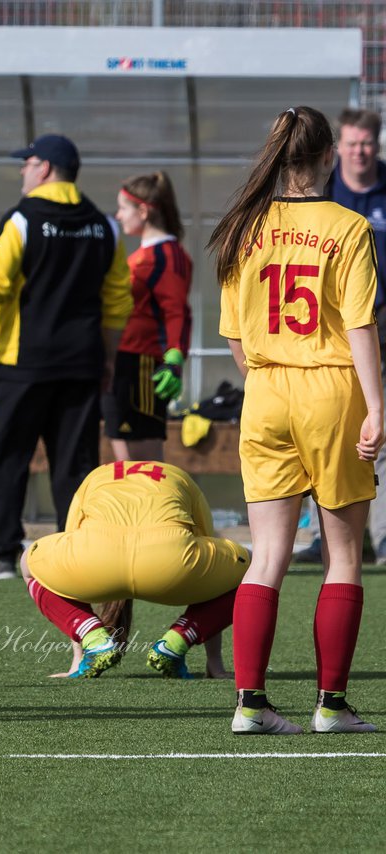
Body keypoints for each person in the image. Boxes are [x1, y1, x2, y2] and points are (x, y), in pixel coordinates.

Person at [210, 105, 382, 735]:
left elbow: (233, 334)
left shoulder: (240, 228)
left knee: (267, 555)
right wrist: (378, 406)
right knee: (342, 556)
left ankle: (250, 704)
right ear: (329, 156)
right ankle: (331, 706)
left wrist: (265, 383)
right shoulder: (349, 226)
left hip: (266, 391)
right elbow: (361, 325)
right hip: (332, 391)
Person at [0, 133, 131, 580]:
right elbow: (118, 298)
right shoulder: (105, 224)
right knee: (76, 464)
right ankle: (77, 556)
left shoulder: (22, 219)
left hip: (20, 365)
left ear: (44, 168)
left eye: (26, 164)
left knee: (7, 456)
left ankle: (4, 554)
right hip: (82, 364)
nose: (22, 172)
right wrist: (108, 360)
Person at [22, 461, 247, 679]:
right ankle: (179, 640)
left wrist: (78, 658)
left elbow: (69, 553)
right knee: (254, 569)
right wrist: (214, 661)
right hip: (169, 566)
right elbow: (209, 555)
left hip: (96, 562)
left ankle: (93, 639)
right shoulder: (179, 476)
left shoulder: (96, 476)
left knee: (27, 563)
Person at [297, 108, 386, 564]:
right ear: (336, 151)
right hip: (328, 329)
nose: (359, 151)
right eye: (351, 143)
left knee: (377, 427)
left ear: (377, 144)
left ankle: (381, 537)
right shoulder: (321, 192)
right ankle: (324, 536)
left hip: (376, 321)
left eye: (367, 143)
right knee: (330, 430)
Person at [104, 171, 192, 462]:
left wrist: (175, 358)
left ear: (143, 211)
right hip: (124, 362)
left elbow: (176, 310)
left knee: (143, 460)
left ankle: (152, 508)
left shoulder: (165, 256)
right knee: (122, 454)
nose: (118, 215)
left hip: (142, 364)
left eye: (123, 208)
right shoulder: (147, 254)